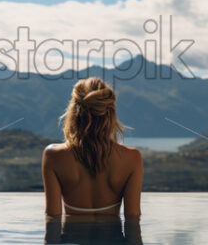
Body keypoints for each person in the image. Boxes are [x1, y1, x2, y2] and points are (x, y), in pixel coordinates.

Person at [42, 77, 143, 217]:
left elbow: (52, 218)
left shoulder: (53, 155)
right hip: (112, 238)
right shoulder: (132, 158)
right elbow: (133, 218)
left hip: (72, 237)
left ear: (73, 112)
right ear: (110, 114)